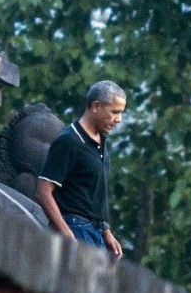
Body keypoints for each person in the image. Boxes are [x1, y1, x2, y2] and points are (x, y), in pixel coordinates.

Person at [36, 80, 125, 258]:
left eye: (121, 113)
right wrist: (66, 233)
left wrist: (105, 230)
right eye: (114, 112)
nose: (119, 119)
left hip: (95, 232)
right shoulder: (69, 141)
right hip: (74, 228)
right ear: (96, 106)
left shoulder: (101, 141)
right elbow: (43, 190)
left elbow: (93, 193)